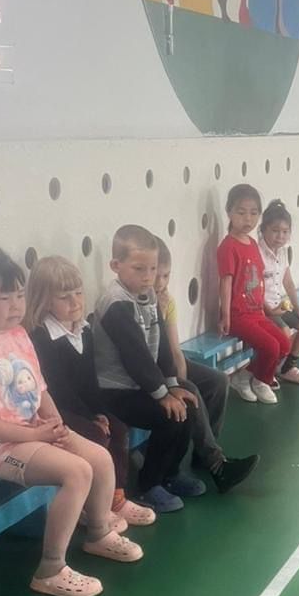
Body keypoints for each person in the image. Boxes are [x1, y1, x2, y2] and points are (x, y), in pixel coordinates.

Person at [0, 247, 143, 596]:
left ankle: (98, 533)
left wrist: (56, 423)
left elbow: (39, 387)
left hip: (34, 430)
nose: (16, 305)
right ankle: (50, 569)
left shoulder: (17, 333)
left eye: (19, 295)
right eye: (4, 297)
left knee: (99, 457)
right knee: (77, 471)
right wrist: (35, 434)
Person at [24, 255, 155, 528]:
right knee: (95, 435)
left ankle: (116, 497)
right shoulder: (42, 337)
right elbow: (58, 389)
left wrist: (99, 411)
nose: (75, 302)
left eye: (78, 293)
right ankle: (91, 506)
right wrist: (90, 418)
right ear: (44, 301)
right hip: (55, 411)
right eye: (64, 297)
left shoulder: (84, 330)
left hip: (81, 407)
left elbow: (89, 381)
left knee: (118, 429)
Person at [92, 226, 195, 513]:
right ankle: (149, 485)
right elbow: (135, 356)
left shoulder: (147, 294)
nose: (148, 276)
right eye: (139, 269)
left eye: (152, 268)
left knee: (187, 405)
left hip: (141, 385)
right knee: (169, 416)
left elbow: (160, 345)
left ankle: (170, 474)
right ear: (116, 265)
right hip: (115, 391)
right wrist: (162, 395)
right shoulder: (115, 303)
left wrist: (173, 385)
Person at [153, 239, 258, 492]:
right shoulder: (137, 305)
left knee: (218, 380)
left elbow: (174, 349)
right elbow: (148, 355)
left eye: (165, 276)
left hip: (168, 362)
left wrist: (180, 377)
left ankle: (204, 454)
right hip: (151, 369)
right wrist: (179, 383)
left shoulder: (167, 302)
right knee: (191, 391)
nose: (160, 282)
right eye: (156, 275)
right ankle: (217, 463)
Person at [218, 184, 290, 405]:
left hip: (257, 312)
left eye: (253, 213)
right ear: (229, 212)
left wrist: (267, 310)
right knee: (270, 347)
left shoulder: (252, 244)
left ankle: (244, 377)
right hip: (238, 315)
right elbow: (226, 282)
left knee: (284, 344)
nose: (247, 219)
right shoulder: (228, 246)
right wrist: (225, 316)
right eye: (241, 212)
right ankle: (261, 381)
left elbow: (258, 282)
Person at [258, 199, 299, 385]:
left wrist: (298, 308)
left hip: (278, 306)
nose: (280, 236)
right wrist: (270, 311)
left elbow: (288, 282)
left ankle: (286, 367)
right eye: (275, 230)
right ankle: (268, 370)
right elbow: (254, 290)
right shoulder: (256, 252)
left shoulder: (282, 252)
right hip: (262, 309)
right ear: (263, 229)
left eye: (285, 231)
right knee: (284, 332)